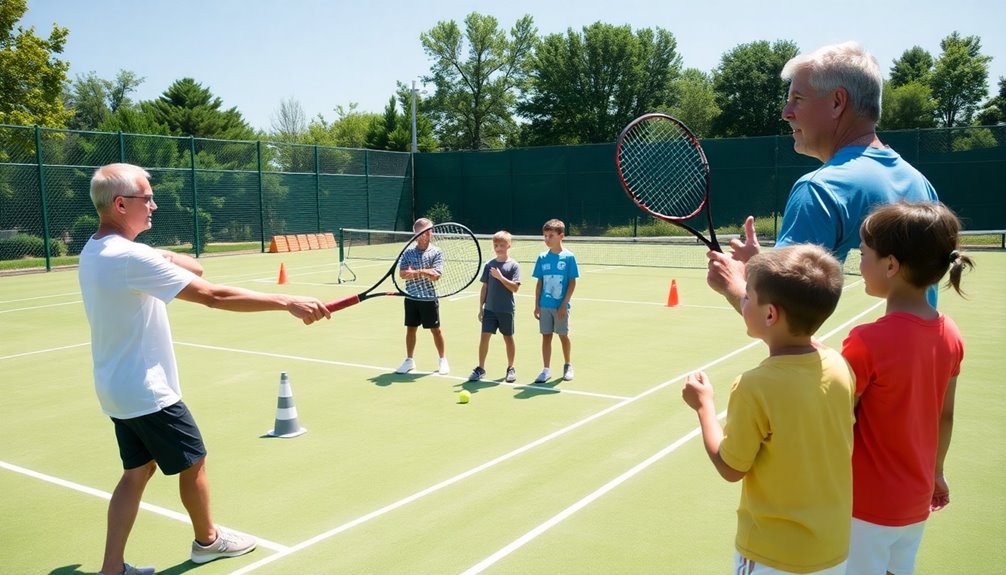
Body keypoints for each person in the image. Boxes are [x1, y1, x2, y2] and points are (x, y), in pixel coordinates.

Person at [77, 163, 332, 575]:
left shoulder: (95, 248)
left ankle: (112, 569)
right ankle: (208, 540)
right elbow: (213, 295)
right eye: (147, 198)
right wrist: (288, 301)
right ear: (121, 204)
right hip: (148, 389)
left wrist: (158, 252)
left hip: (115, 388)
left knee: (137, 472)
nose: (154, 206)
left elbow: (195, 268)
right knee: (194, 461)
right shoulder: (129, 258)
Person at [707, 41, 939, 312]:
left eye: (798, 99)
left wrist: (732, 282)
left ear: (837, 103)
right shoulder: (920, 183)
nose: (786, 113)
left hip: (849, 356)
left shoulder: (820, 189)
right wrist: (761, 267)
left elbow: (777, 314)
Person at [682, 244, 854, 574]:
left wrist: (703, 406)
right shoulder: (838, 364)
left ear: (771, 314)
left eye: (747, 297)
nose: (742, 300)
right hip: (832, 550)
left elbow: (731, 467)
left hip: (771, 555)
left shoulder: (754, 386)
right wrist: (752, 272)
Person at [842, 202, 973, 575]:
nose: (858, 261)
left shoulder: (866, 341)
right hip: (915, 502)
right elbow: (944, 416)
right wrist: (936, 473)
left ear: (891, 265)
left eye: (864, 253)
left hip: (863, 507)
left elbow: (834, 416)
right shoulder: (951, 333)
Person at [394, 218, 449, 375]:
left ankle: (442, 360)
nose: (426, 235)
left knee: (435, 330)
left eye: (428, 231)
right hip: (411, 297)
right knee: (411, 329)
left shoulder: (436, 252)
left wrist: (416, 272)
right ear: (416, 235)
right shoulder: (408, 252)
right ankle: (409, 360)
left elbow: (436, 275)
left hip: (428, 298)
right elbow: (403, 274)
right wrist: (425, 271)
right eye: (422, 232)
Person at [468, 230, 521, 383]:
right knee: (484, 337)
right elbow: (485, 287)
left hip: (506, 310)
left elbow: (515, 288)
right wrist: (480, 308)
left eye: (502, 245)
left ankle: (511, 368)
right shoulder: (489, 265)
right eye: (496, 245)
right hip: (490, 310)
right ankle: (480, 368)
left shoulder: (514, 266)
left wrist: (501, 277)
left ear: (509, 245)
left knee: (508, 338)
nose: (498, 248)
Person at [531, 218, 579, 383]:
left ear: (561, 236)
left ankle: (567, 365)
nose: (547, 239)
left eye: (550, 236)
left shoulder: (569, 258)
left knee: (563, 336)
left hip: (560, 307)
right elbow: (539, 283)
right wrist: (536, 305)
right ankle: (546, 369)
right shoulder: (542, 257)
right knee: (546, 336)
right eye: (545, 236)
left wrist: (564, 304)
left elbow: (572, 282)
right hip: (545, 306)